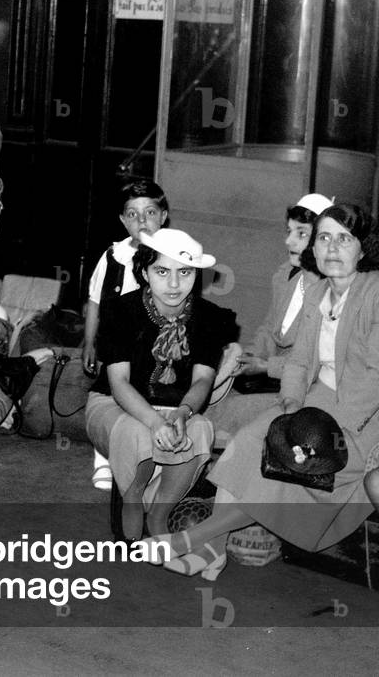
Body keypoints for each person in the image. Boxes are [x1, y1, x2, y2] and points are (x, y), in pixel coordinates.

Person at [143, 204, 379, 582]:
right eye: (324, 238)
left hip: (363, 419)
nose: (332, 247)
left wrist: (317, 423)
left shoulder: (375, 292)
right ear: (314, 250)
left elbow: (374, 377)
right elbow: (300, 362)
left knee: (286, 469)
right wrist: (289, 405)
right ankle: (213, 553)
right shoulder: (319, 292)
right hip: (313, 401)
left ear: (362, 248)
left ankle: (192, 540)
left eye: (344, 238)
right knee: (248, 442)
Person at [85, 228, 232, 540]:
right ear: (144, 272)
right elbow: (119, 383)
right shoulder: (119, 311)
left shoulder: (210, 317)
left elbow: (204, 379)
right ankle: (133, 499)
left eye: (185, 272)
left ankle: (161, 511)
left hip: (176, 405)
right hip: (114, 404)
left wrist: (183, 412)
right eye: (162, 271)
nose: (175, 284)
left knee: (200, 429)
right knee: (136, 431)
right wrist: (154, 421)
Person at [207, 193, 333, 442]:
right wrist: (250, 356)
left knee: (222, 416)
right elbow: (269, 328)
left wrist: (265, 367)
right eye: (288, 231)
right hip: (272, 379)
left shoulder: (330, 292)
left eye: (301, 234)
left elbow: (315, 364)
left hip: (304, 392)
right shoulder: (285, 275)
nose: (288, 241)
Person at [82, 179, 170, 490]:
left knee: (147, 392)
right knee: (111, 391)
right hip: (115, 343)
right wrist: (89, 342)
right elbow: (94, 301)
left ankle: (147, 454)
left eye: (149, 212)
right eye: (132, 214)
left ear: (163, 215)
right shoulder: (112, 256)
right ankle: (103, 457)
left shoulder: (172, 256)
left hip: (154, 344)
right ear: (122, 220)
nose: (141, 220)